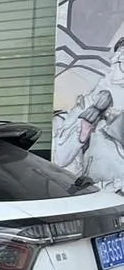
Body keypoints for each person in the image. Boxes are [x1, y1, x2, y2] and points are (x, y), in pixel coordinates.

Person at [53, 37, 124, 192]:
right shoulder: (90, 102)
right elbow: (59, 159)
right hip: (95, 196)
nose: (115, 67)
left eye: (121, 61)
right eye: (116, 60)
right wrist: (83, 131)